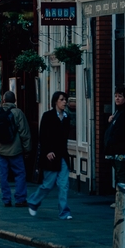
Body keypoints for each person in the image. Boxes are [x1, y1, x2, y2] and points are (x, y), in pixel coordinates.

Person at [28, 91, 72, 220]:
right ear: (55, 102)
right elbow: (43, 136)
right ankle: (33, 202)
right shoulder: (47, 116)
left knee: (64, 184)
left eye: (65, 100)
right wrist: (47, 151)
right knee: (48, 184)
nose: (65, 102)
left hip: (63, 155)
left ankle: (64, 212)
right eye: (62, 99)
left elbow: (64, 138)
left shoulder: (66, 117)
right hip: (51, 156)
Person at [0, 90, 31, 208]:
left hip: (0, 150)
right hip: (16, 150)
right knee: (20, 174)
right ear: (15, 101)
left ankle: (6, 199)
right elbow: (25, 133)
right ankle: (20, 199)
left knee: (3, 175)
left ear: (3, 100)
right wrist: (27, 150)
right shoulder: (18, 113)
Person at [104, 85, 125, 189]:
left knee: (122, 175)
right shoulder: (118, 111)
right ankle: (120, 201)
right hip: (115, 150)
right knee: (119, 175)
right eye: (116, 96)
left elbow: (121, 132)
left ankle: (124, 202)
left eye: (120, 96)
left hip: (121, 150)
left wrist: (111, 142)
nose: (117, 98)